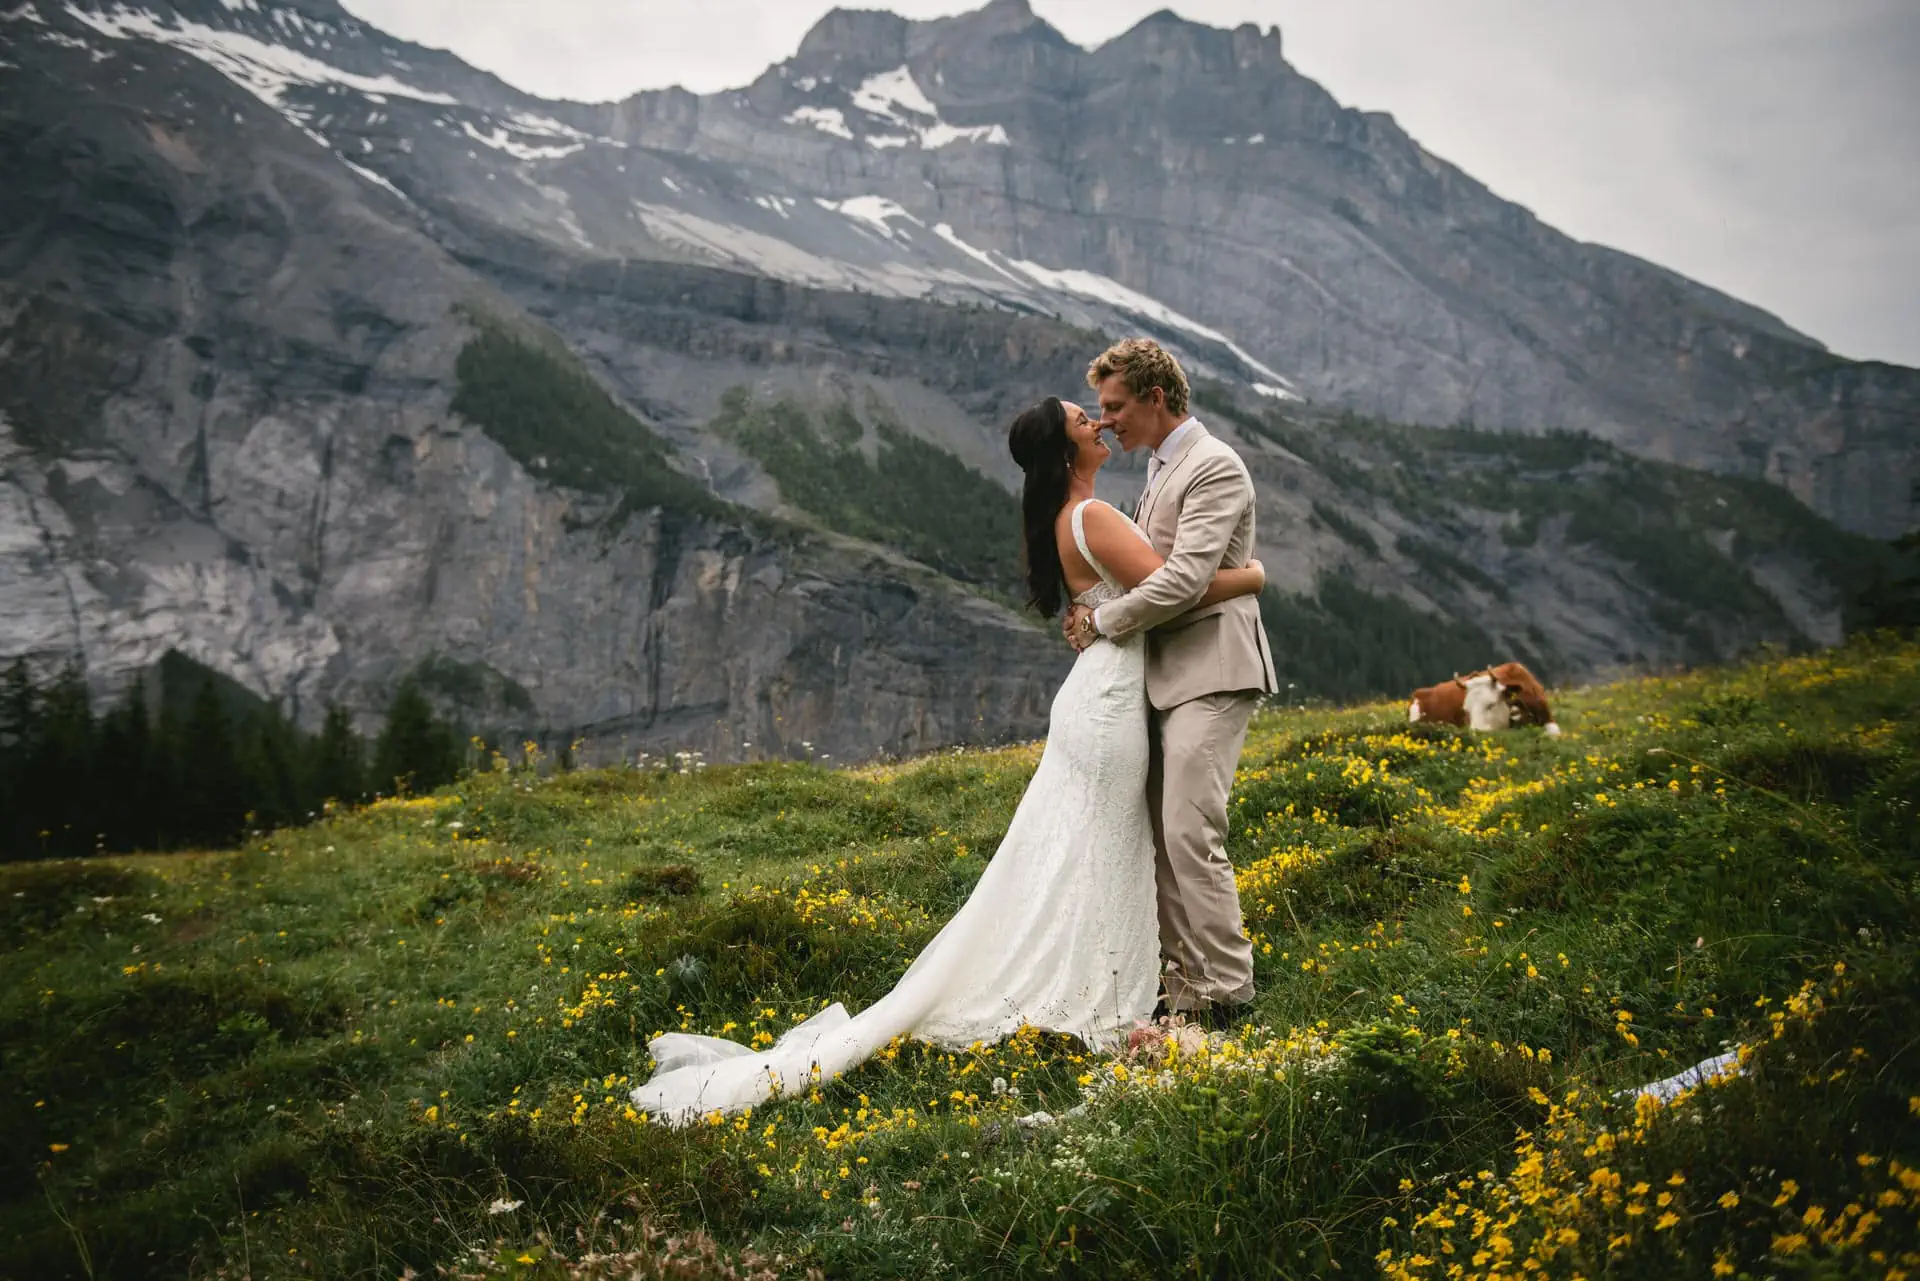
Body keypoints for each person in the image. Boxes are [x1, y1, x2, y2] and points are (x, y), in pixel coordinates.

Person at [628, 394, 1265, 1124]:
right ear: (1067, 453)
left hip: (1101, 696)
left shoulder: (1069, 518)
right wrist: (1252, 576)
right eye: (1082, 420)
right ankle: (1105, 982)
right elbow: (1174, 589)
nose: (1097, 420)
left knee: (1097, 845)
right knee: (1110, 843)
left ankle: (1114, 975)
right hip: (1110, 704)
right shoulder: (1091, 516)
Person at [1065, 338, 1278, 1025]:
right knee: (1166, 833)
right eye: (1099, 410)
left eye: (1116, 405)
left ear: (1157, 398)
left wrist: (1103, 622)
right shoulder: (1162, 465)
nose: (1106, 421)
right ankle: (1186, 987)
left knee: (1191, 830)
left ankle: (1226, 991)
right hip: (1170, 674)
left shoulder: (1213, 466)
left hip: (1214, 668)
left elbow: (1182, 579)